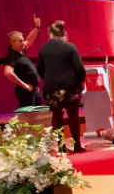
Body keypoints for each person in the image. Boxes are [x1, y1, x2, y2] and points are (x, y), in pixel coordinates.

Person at [37, 21, 86, 153]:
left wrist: (49, 79)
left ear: (50, 34)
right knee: (73, 116)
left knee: (56, 116)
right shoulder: (70, 47)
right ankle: (77, 145)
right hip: (70, 87)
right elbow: (80, 68)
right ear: (63, 33)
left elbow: (40, 70)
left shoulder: (43, 49)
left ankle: (61, 146)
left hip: (51, 87)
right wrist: (79, 82)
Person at [4, 15, 42, 108]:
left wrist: (36, 27)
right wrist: (24, 85)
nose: (23, 42)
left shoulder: (20, 50)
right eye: (20, 41)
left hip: (33, 90)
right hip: (25, 92)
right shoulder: (12, 56)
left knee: (36, 114)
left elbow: (29, 40)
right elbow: (8, 73)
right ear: (13, 43)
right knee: (29, 118)